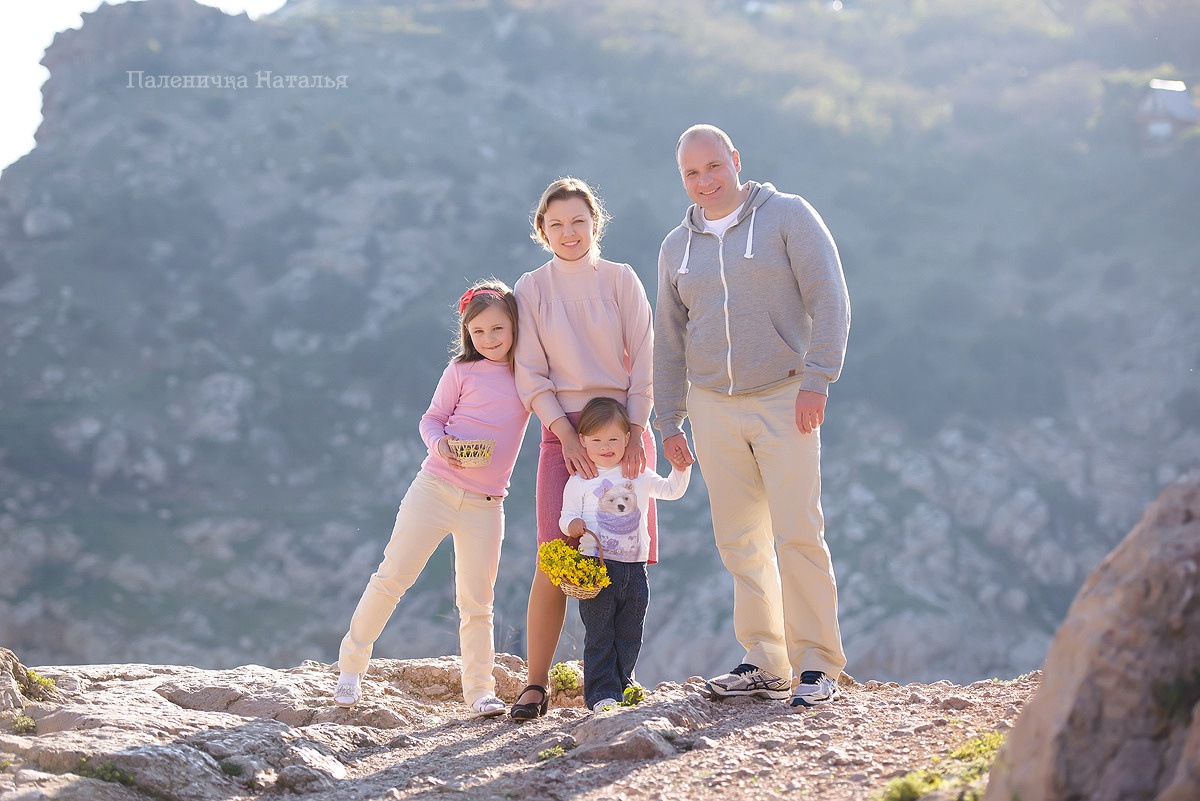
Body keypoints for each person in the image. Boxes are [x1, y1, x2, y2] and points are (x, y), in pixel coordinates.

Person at [654, 124, 851, 708]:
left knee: (798, 531)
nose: (705, 181)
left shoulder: (788, 215)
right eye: (692, 173)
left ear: (735, 160)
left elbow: (830, 297)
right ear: (682, 178)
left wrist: (817, 380)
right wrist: (669, 419)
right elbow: (669, 339)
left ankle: (819, 661)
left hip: (786, 396)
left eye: (714, 166)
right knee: (739, 539)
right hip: (712, 407)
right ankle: (765, 659)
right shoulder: (674, 246)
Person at [333, 280, 530, 718]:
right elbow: (432, 419)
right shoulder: (460, 371)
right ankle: (350, 668)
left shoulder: (527, 374)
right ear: (467, 334)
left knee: (477, 602)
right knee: (392, 577)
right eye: (478, 332)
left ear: (515, 326)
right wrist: (440, 445)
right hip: (434, 489)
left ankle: (480, 691)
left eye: (498, 329)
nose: (489, 339)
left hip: (486, 504)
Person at [510, 177, 656, 721]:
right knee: (557, 555)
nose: (568, 233)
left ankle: (617, 684)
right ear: (541, 231)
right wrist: (565, 433)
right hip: (561, 432)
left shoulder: (622, 281)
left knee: (624, 557)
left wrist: (638, 433)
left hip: (621, 430)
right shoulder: (532, 287)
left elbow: (644, 358)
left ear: (596, 223)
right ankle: (534, 684)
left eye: (578, 221)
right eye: (556, 224)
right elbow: (529, 372)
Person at [559, 397, 690, 713]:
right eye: (597, 440)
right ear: (582, 441)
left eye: (614, 439)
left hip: (635, 568)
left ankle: (625, 684)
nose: (606, 446)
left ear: (628, 439)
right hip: (597, 568)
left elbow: (672, 491)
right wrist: (573, 525)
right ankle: (601, 694)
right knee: (600, 633)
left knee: (631, 632)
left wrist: (680, 468)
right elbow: (565, 516)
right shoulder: (580, 481)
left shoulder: (638, 474)